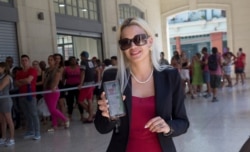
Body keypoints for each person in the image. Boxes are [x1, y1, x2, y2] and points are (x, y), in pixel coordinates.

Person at [94, 17, 189, 152]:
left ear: (150, 41)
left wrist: (168, 127)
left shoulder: (170, 76)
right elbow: (102, 128)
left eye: (139, 39)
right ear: (122, 48)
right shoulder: (113, 77)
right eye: (126, 42)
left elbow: (183, 123)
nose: (133, 46)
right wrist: (108, 116)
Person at [15, 54, 41, 140]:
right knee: (26, 114)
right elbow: (16, 83)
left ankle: (37, 132)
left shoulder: (32, 70)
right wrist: (24, 81)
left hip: (31, 95)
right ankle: (30, 130)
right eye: (23, 60)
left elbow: (28, 80)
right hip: (21, 95)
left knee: (33, 113)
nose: (24, 62)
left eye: (26, 60)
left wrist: (23, 81)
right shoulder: (19, 72)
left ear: (28, 61)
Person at [43, 55, 69, 131]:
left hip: (53, 91)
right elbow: (45, 80)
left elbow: (57, 79)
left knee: (52, 109)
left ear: (54, 61)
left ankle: (65, 119)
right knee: (52, 109)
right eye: (48, 59)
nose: (49, 61)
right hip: (46, 90)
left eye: (51, 60)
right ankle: (54, 125)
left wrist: (53, 86)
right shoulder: (47, 70)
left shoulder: (57, 70)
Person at [78, 51, 101, 123]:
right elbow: (98, 71)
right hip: (93, 84)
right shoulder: (93, 62)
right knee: (89, 100)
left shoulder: (83, 62)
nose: (81, 58)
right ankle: (91, 116)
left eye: (81, 56)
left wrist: (81, 84)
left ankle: (91, 114)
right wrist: (98, 81)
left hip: (86, 85)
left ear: (83, 56)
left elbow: (83, 73)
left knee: (80, 100)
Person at [0, 62, 15, 146]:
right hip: (1, 100)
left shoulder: (7, 77)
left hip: (6, 100)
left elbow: (1, 87)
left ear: (3, 68)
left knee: (9, 119)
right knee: (2, 120)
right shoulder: (0, 77)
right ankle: (3, 137)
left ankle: (12, 138)